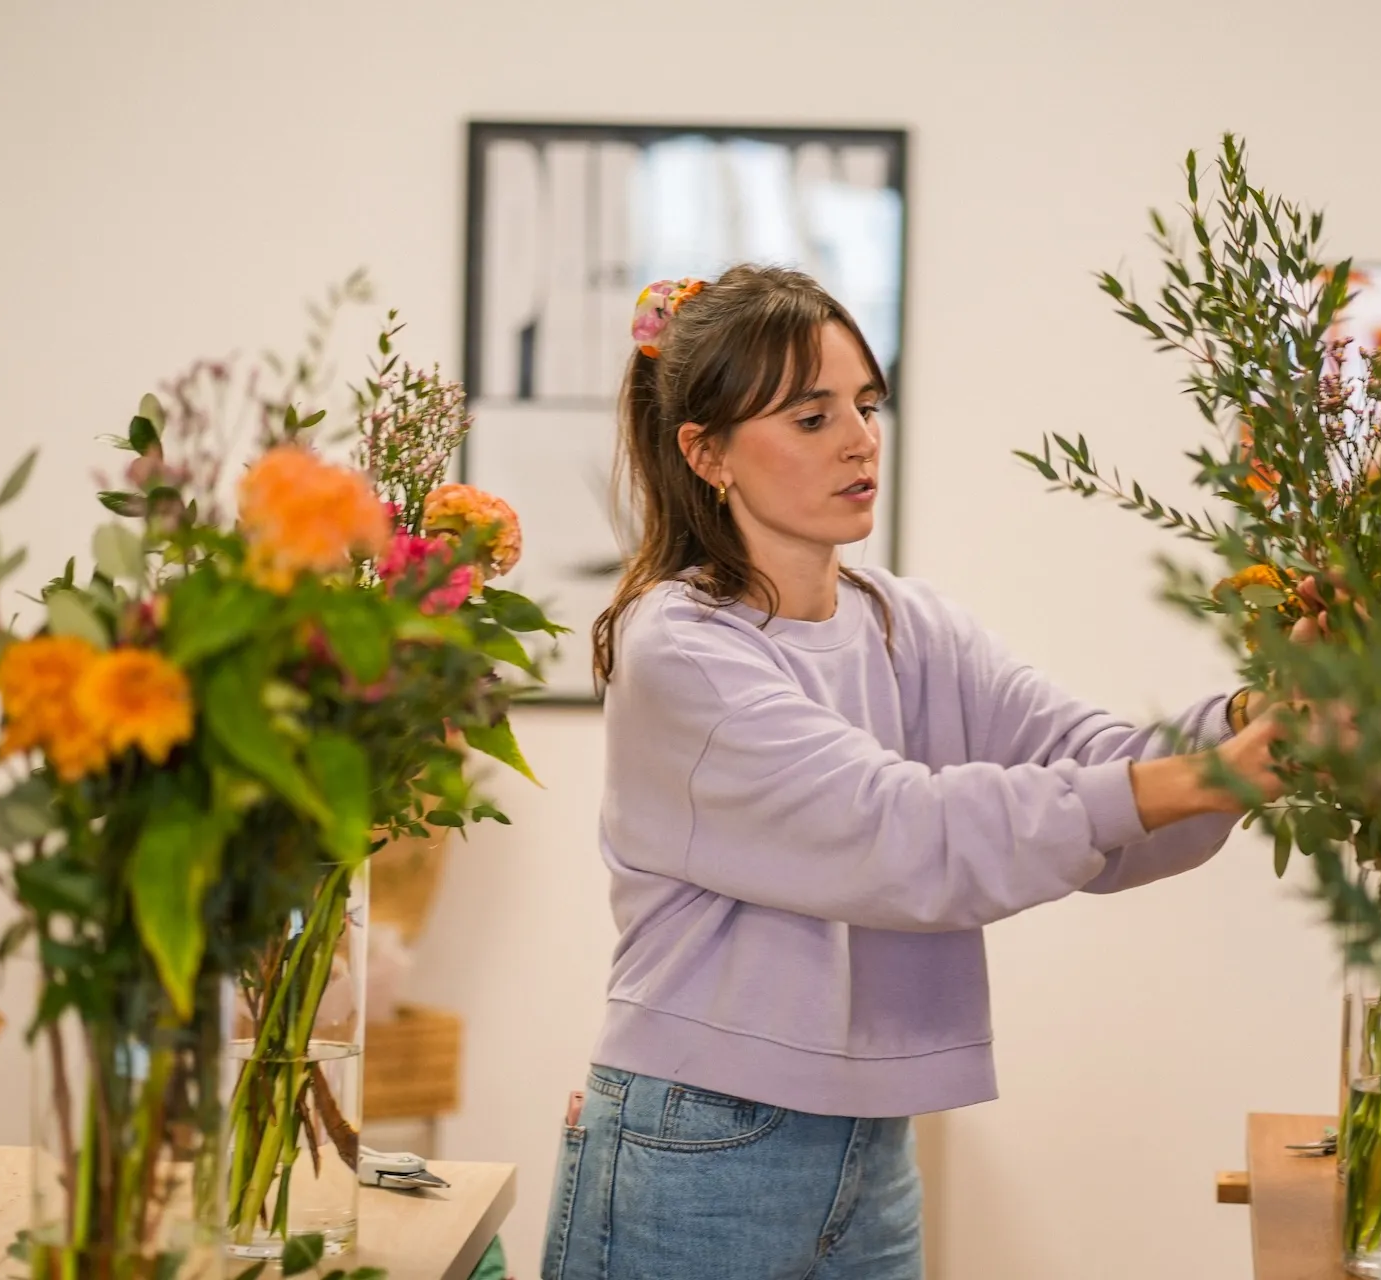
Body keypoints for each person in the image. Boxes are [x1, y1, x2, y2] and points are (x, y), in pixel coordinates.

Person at [541, 265, 1284, 1280]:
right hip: (696, 1140)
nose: (859, 438)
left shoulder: (906, 622)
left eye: (866, 404)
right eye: (811, 416)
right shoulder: (681, 647)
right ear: (705, 452)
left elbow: (1091, 762)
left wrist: (1248, 721)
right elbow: (899, 833)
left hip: (873, 1143)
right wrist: (1205, 778)